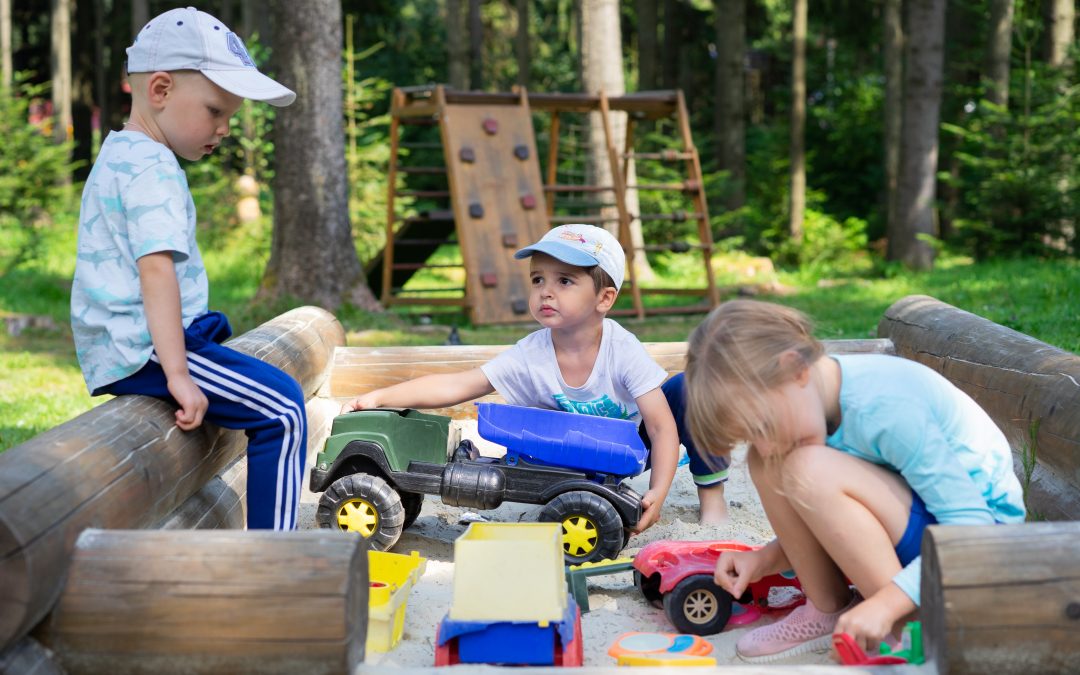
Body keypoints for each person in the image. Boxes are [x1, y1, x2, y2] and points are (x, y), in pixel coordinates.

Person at [683, 299, 1025, 662]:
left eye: (766, 426)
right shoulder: (812, 405)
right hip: (921, 538)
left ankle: (907, 628)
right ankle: (826, 608)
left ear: (795, 369)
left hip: (979, 548)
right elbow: (842, 517)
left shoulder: (884, 407)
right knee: (768, 464)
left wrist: (887, 604)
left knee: (806, 468)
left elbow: (974, 531)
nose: (767, 445)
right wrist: (765, 559)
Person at [70, 7, 302, 530]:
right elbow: (156, 271)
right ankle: (279, 561)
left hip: (130, 343)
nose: (223, 129)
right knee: (284, 409)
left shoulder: (121, 153)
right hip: (148, 349)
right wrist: (178, 373)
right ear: (160, 90)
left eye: (230, 118)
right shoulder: (153, 168)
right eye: (216, 111)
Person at [341, 224, 680, 533]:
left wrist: (658, 493)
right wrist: (380, 397)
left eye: (564, 281)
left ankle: (712, 488)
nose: (546, 292)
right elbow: (462, 384)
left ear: (604, 298)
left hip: (623, 450)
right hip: (560, 457)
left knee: (682, 393)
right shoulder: (531, 352)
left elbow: (661, 427)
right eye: (538, 280)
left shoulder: (622, 351)